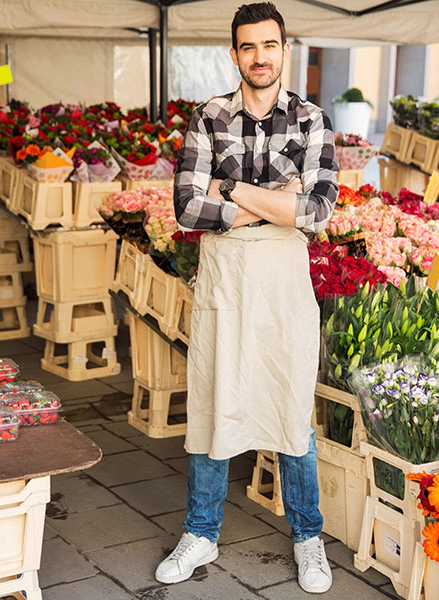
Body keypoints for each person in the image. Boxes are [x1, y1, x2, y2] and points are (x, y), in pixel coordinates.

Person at [155, 1, 339, 594]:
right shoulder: (208, 117)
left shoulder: (312, 120)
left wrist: (229, 190)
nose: (260, 57)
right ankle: (201, 532)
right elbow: (186, 208)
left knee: (291, 404)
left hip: (284, 284)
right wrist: (271, 200)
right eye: (248, 47)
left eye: (270, 45)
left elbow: (316, 211)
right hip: (226, 281)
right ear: (234, 54)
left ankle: (308, 538)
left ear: (286, 50)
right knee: (213, 399)